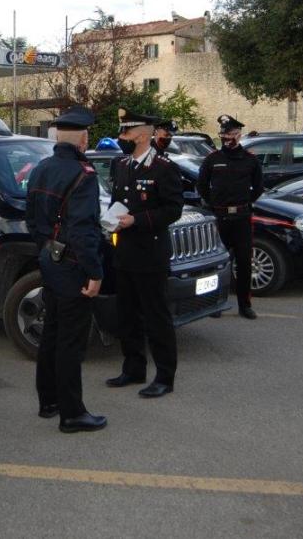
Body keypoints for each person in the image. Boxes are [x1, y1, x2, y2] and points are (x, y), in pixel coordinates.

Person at [25, 106, 106, 433]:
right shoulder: (83, 175)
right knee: (71, 342)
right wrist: (95, 272)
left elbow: (31, 219)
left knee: (52, 334)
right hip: (73, 267)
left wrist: (47, 247)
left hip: (49, 261)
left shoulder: (40, 169)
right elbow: (84, 231)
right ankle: (72, 414)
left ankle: (49, 401)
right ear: (83, 138)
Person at [105, 109, 184, 399]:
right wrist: (112, 218)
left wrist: (137, 220)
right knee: (128, 315)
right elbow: (118, 201)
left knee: (156, 317)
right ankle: (133, 367)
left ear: (142, 134)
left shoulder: (164, 168)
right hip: (125, 252)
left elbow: (173, 209)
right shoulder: (122, 164)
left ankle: (165, 376)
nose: (121, 138)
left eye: (125, 133)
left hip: (150, 254)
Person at [198, 114, 264, 319]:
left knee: (244, 263)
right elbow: (201, 186)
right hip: (220, 218)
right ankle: (215, 304)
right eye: (224, 134)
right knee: (218, 264)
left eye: (232, 134)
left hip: (242, 218)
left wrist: (245, 202)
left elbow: (259, 187)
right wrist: (213, 203)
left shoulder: (250, 160)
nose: (228, 138)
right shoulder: (212, 159)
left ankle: (244, 305)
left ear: (239, 135)